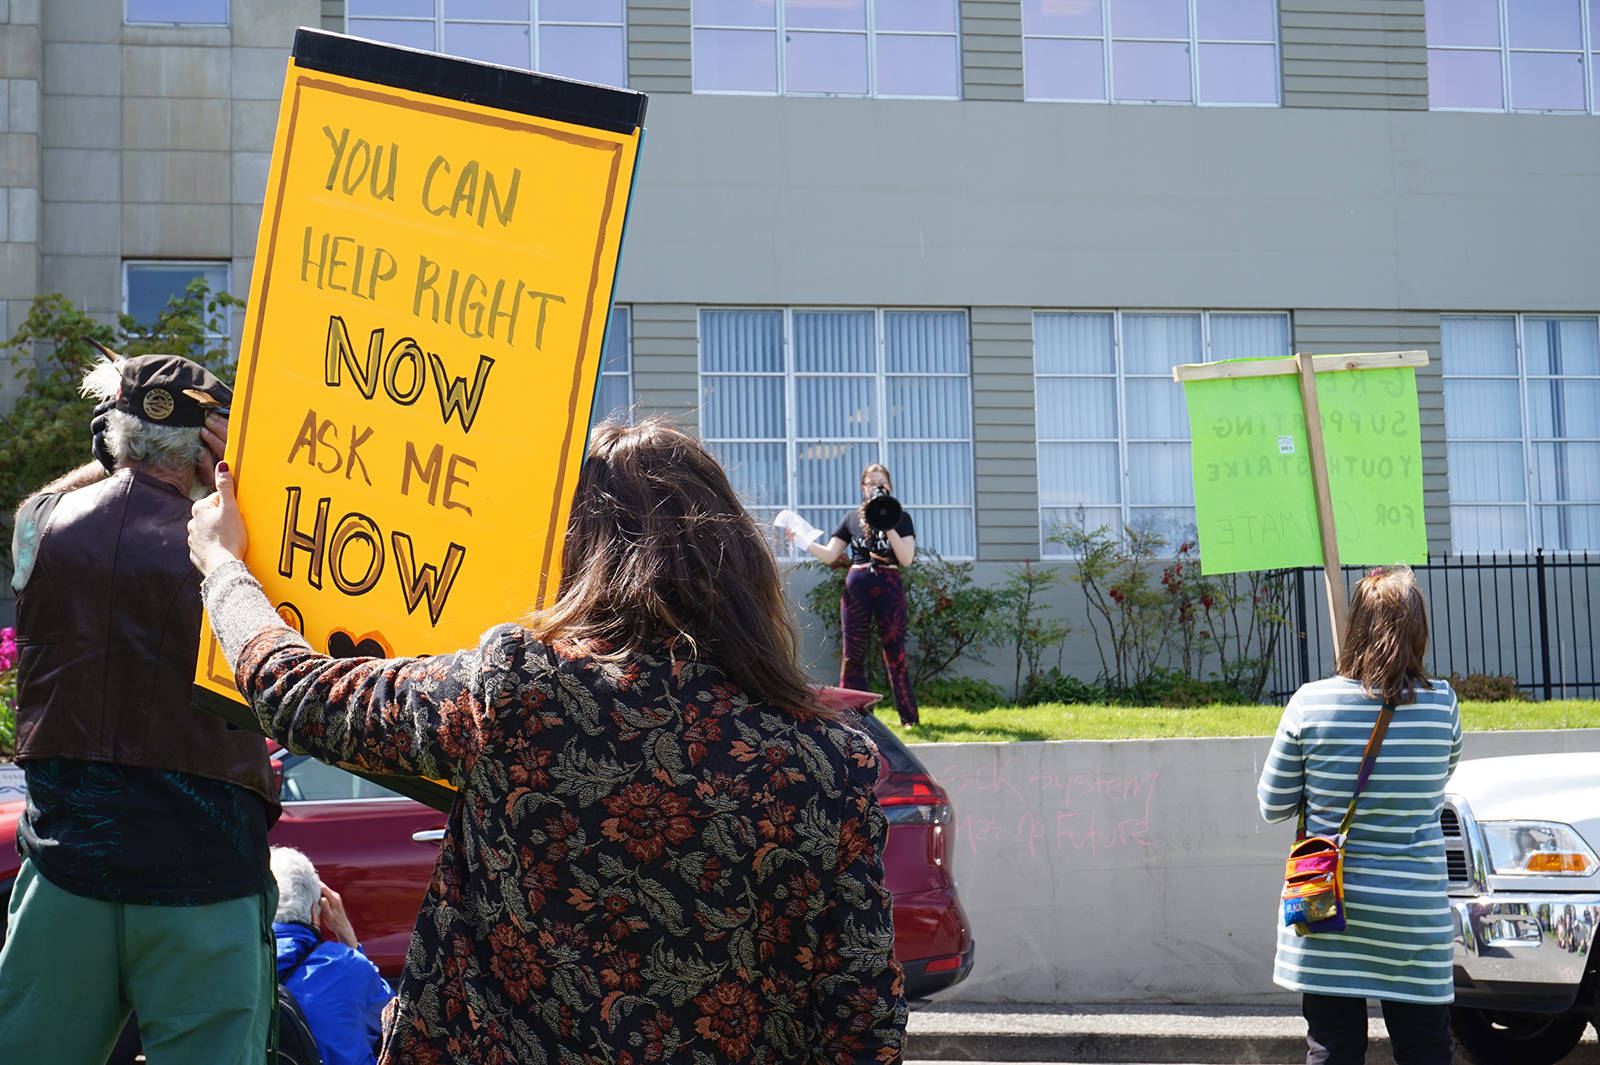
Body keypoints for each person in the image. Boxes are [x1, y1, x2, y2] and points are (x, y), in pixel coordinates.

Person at [188, 417, 907, 1064]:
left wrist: (225, 569)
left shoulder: (520, 689)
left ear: (578, 551)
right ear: (739, 562)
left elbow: (300, 692)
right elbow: (861, 1021)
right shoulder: (828, 761)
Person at [0, 349, 279, 1065]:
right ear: (208, 444)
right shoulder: (242, 552)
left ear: (110, 430)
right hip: (203, 879)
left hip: (66, 874)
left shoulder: (43, 523)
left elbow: (38, 508)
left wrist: (106, 463)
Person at [1257, 566, 1462, 1065]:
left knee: (1332, 1046)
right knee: (1426, 1047)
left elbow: (1272, 806)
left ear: (1356, 626)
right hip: (1412, 914)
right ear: (1417, 630)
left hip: (1330, 909)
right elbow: (1436, 783)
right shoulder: (1443, 707)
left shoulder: (1311, 703)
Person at [791, 463, 918, 727]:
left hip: (889, 582)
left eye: (881, 482)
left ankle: (908, 718)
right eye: (871, 483)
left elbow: (906, 559)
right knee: (853, 653)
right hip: (858, 583)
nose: (876, 487)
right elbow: (830, 555)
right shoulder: (851, 518)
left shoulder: (901, 517)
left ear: (890, 487)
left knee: (896, 652)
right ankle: (851, 717)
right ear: (863, 488)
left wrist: (887, 520)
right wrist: (801, 540)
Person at [271, 846, 394, 1065]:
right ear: (314, 911)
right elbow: (392, 1020)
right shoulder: (348, 966)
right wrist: (347, 937)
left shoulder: (231, 967)